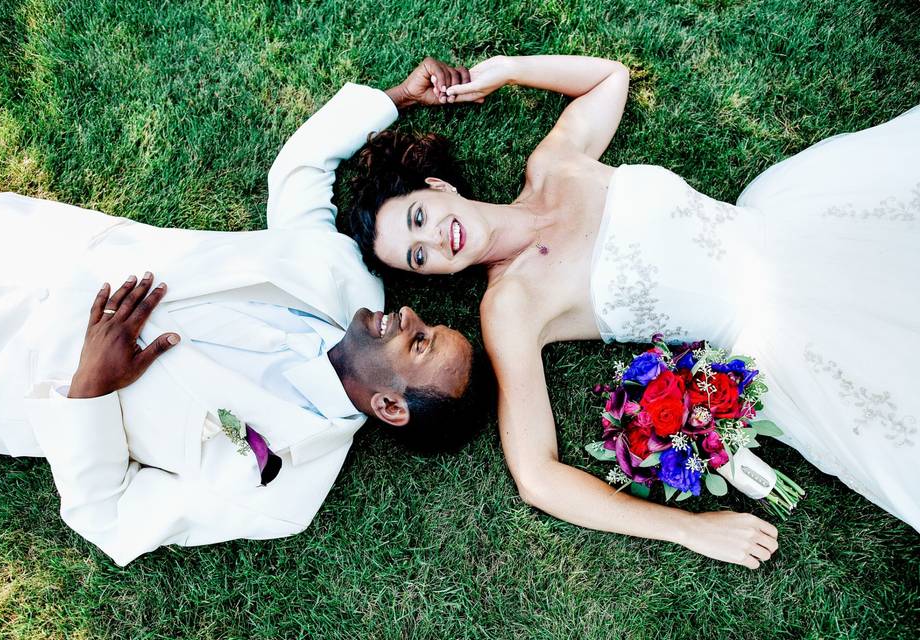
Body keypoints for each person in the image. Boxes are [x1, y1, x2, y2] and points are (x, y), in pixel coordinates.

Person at [349, 53, 920, 568]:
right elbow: (537, 477)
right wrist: (690, 531)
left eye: (419, 216)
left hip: (792, 227)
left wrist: (505, 69)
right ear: (433, 275)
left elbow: (608, 78)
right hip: (788, 334)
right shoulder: (511, 307)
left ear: (439, 186)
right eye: (418, 257)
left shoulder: (552, 164)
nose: (436, 242)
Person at [0, 58, 480, 566]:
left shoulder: (286, 490)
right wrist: (399, 98)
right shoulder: (346, 276)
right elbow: (300, 171)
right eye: (428, 325)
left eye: (418, 341)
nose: (410, 313)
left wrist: (91, 388)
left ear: (391, 406)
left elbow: (111, 517)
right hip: (27, 243)